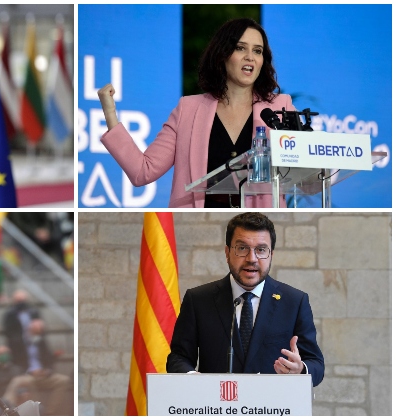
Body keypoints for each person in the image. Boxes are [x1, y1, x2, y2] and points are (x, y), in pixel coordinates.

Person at [97, 18, 293, 208]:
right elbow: (142, 171)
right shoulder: (187, 110)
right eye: (240, 48)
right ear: (223, 54)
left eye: (257, 51)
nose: (250, 56)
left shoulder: (280, 108)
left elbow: (302, 166)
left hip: (256, 220)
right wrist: (110, 112)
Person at [166, 213, 324, 386]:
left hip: (272, 408)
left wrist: (301, 369)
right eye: (242, 248)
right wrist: (193, 378)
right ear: (227, 252)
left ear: (271, 255)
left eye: (261, 250)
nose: (252, 259)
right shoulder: (198, 300)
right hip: (215, 407)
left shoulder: (294, 301)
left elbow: (316, 364)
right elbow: (178, 358)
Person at [3, 319, 71, 416]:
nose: (37, 335)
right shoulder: (18, 342)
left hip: (44, 375)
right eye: (35, 332)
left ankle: (49, 412)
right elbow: (15, 362)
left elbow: (49, 360)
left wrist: (47, 371)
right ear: (29, 330)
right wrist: (31, 371)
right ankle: (6, 407)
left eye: (39, 333)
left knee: (64, 380)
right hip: (27, 375)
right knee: (16, 381)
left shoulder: (42, 342)